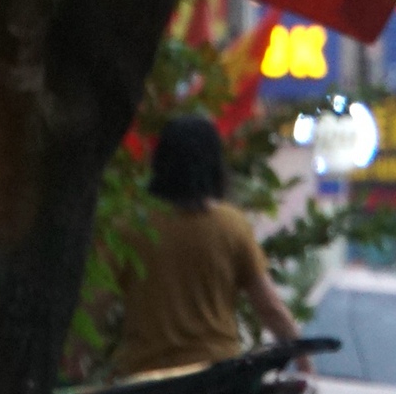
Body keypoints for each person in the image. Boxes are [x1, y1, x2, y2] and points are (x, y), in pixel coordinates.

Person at [117, 116, 300, 377]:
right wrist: (303, 359)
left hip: (144, 381)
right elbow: (269, 307)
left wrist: (73, 361)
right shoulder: (232, 226)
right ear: (215, 165)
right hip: (215, 378)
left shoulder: (132, 227)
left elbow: (96, 305)